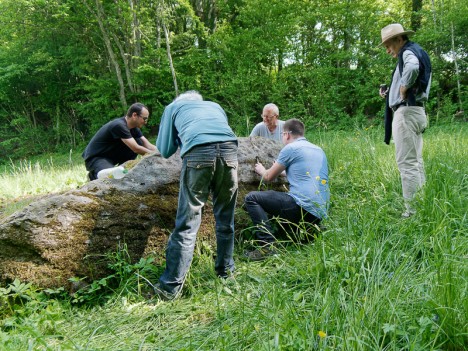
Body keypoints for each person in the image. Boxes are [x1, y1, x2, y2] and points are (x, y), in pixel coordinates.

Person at [153, 90, 238, 300]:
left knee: (188, 223)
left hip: (199, 154)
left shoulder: (172, 108)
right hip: (230, 151)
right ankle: (226, 273)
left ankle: (170, 288)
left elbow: (164, 150)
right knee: (225, 219)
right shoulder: (215, 106)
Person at [244, 119, 329, 261]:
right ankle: (307, 233)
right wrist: (283, 172)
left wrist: (262, 170)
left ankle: (267, 246)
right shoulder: (318, 149)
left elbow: (268, 177)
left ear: (287, 134)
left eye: (282, 134)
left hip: (301, 207)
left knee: (252, 198)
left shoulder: (290, 148)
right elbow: (303, 175)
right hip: (319, 212)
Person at [379, 23, 431, 218]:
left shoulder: (408, 53)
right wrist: (391, 93)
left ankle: (413, 212)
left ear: (399, 40)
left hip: (406, 114)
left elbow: (412, 67)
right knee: (416, 161)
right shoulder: (417, 50)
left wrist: (403, 88)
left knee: (406, 164)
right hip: (416, 111)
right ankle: (422, 204)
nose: (387, 50)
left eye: (388, 45)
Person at [82, 102, 156, 180]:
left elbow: (148, 145)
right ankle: (94, 175)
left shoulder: (134, 128)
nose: (145, 122)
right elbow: (136, 148)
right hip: (96, 158)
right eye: (144, 119)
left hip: (111, 156)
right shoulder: (119, 125)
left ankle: (124, 169)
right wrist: (155, 156)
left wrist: (163, 154)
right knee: (110, 176)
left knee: (138, 141)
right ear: (134, 115)